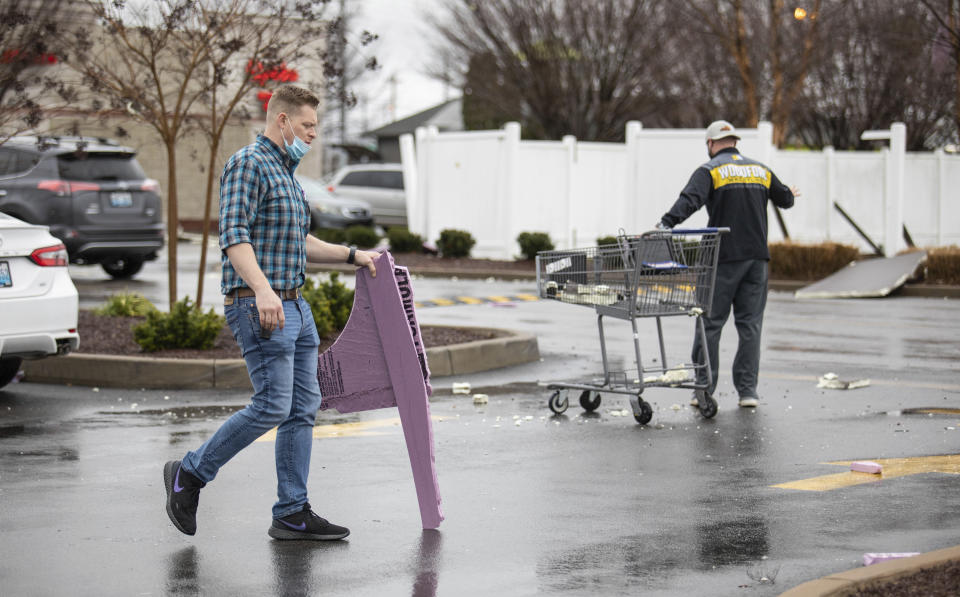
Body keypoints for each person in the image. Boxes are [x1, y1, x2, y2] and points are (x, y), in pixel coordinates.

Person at [164, 85, 380, 541]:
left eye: (315, 127)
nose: (313, 135)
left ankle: (292, 512)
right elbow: (233, 235)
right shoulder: (248, 164)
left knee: (302, 408)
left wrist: (352, 254)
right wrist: (262, 290)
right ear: (282, 121)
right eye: (307, 126)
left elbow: (301, 243)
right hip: (258, 305)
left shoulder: (286, 174)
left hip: (296, 307)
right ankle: (189, 473)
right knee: (272, 406)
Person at [657, 120, 798, 409]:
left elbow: (691, 200)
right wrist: (788, 195)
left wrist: (666, 223)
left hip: (721, 259)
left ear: (710, 144)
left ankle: (703, 389)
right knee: (750, 326)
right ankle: (748, 392)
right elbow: (785, 199)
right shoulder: (760, 169)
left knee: (709, 324)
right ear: (735, 142)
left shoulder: (710, 170)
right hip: (757, 259)